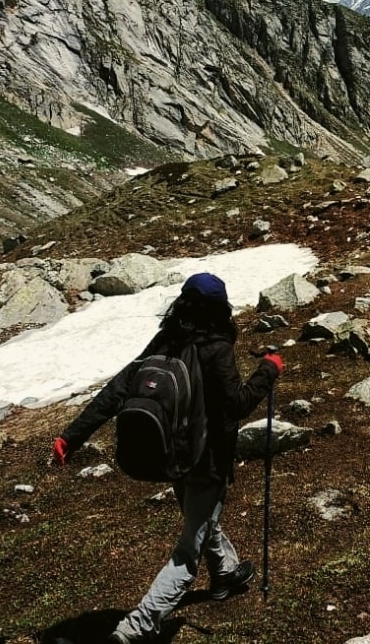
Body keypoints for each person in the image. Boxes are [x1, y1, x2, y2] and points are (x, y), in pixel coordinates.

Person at [50, 272, 283, 643]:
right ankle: (133, 629)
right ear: (220, 309)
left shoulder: (165, 338)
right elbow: (238, 403)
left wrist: (71, 437)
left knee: (202, 519)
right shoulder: (217, 347)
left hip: (171, 454)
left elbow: (118, 389)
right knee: (189, 549)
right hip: (206, 460)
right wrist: (269, 370)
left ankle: (224, 574)